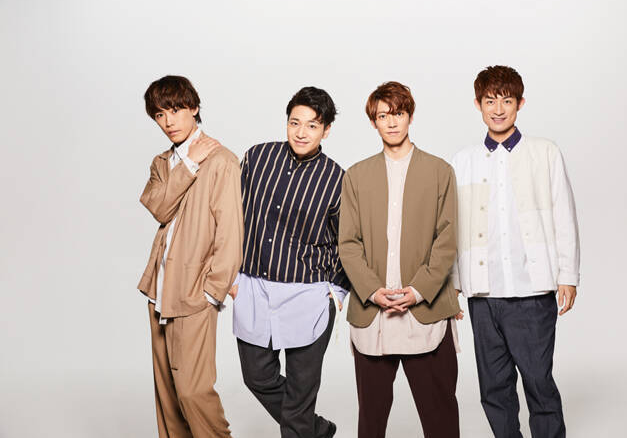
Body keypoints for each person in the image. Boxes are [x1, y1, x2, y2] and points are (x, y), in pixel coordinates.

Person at [451, 65, 580, 438]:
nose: (498, 109)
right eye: (490, 101)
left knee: (538, 381)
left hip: (532, 291)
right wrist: (453, 284)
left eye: (506, 101)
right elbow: (454, 227)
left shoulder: (545, 153)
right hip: (483, 293)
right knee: (493, 387)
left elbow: (564, 214)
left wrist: (568, 275)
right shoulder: (463, 160)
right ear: (478, 104)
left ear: (520, 103)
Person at [339, 81, 463, 438]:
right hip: (372, 314)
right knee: (371, 420)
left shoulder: (439, 171)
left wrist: (419, 289)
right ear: (373, 122)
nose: (391, 122)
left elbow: (447, 240)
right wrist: (372, 290)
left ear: (410, 116)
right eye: (383, 116)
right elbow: (348, 243)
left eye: (398, 113)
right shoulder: (356, 175)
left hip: (427, 310)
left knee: (440, 418)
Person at [232, 86, 350, 438]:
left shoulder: (336, 178)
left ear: (326, 130)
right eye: (295, 123)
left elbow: (349, 239)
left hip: (308, 292)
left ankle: (304, 427)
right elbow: (231, 214)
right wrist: (230, 278)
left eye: (312, 125)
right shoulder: (256, 158)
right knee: (257, 376)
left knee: (301, 390)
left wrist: (336, 291)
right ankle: (317, 430)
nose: (301, 132)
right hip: (253, 285)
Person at [137, 75, 243, 438]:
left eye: (176, 110)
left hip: (195, 291)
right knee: (168, 397)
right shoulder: (161, 163)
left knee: (193, 391)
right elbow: (159, 208)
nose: (168, 121)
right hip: (159, 290)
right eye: (160, 114)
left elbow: (230, 232)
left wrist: (213, 291)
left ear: (194, 108)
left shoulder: (222, 161)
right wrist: (187, 164)